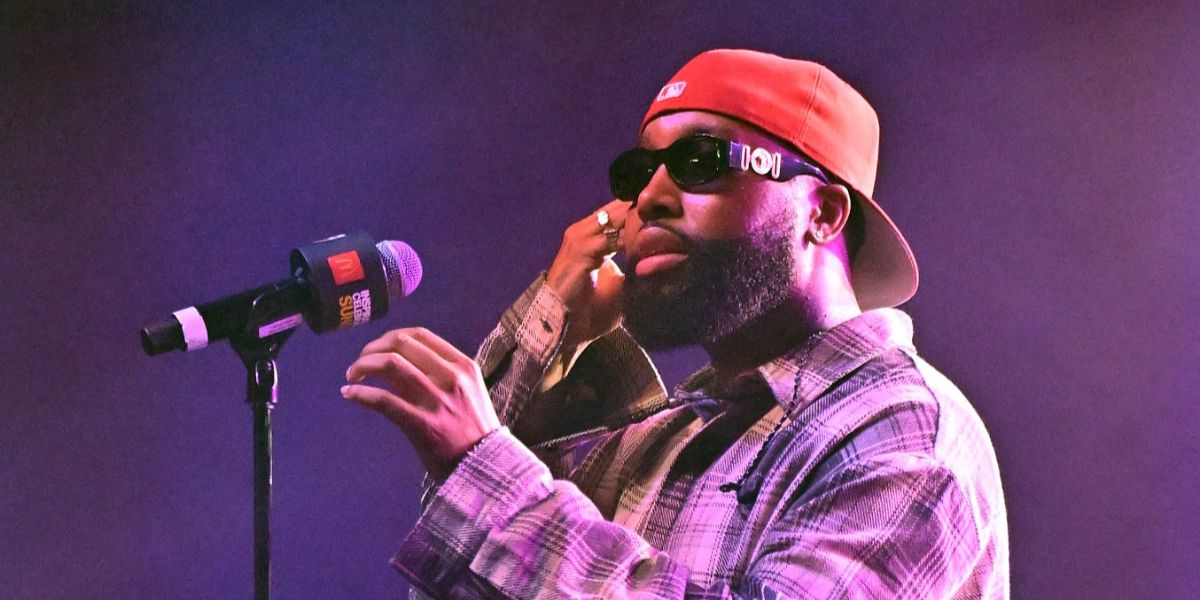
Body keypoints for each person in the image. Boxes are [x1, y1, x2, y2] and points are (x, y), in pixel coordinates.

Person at [341, 49, 1009, 598]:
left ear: (823, 213)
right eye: (639, 172)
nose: (649, 197)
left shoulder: (900, 431)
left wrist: (484, 467)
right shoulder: (661, 438)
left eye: (701, 162)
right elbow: (477, 576)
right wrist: (552, 337)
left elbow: (509, 509)